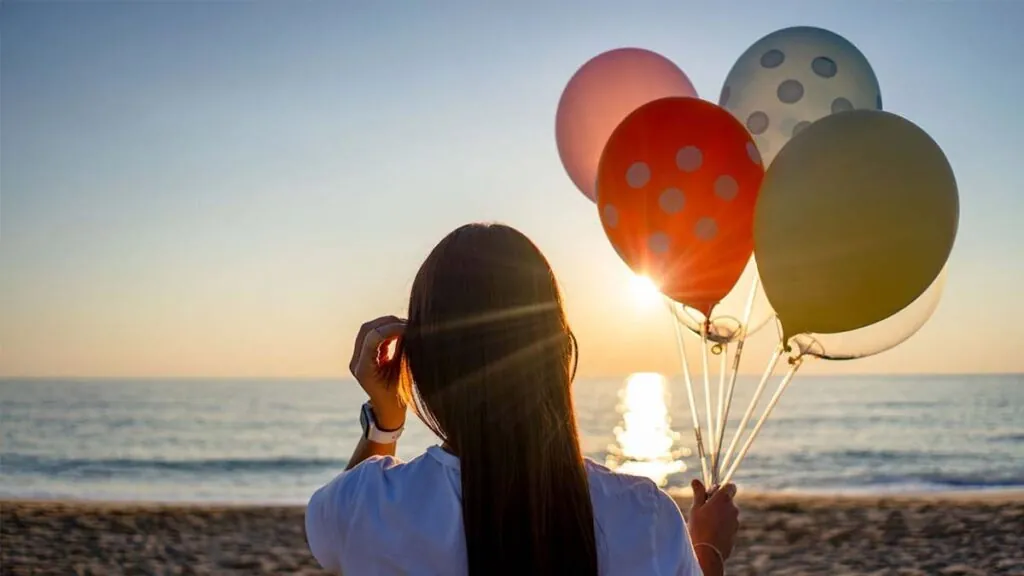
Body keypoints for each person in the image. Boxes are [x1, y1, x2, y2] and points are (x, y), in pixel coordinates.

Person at [305, 223, 739, 575]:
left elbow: (332, 543)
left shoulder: (366, 505)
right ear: (559, 352)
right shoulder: (644, 516)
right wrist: (708, 550)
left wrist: (385, 419)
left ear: (419, 361)